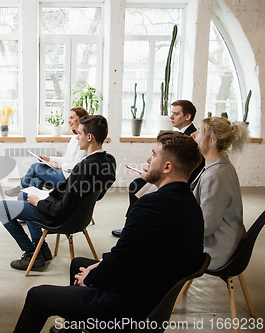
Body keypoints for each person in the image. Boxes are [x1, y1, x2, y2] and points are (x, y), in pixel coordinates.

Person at [13, 131, 204, 333]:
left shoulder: (152, 205)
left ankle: (90, 320)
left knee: (37, 296)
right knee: (78, 264)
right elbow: (136, 254)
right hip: (151, 290)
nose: (148, 159)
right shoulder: (190, 205)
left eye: (154, 154)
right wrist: (97, 267)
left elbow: (122, 261)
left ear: (167, 167)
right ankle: (75, 329)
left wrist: (92, 277)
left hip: (127, 305)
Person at [0, 115, 116, 271]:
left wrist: (39, 202)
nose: (77, 137)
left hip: (64, 219)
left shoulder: (83, 167)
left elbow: (62, 210)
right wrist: (57, 191)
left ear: (89, 137)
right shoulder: (109, 161)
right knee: (23, 195)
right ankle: (42, 248)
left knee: (1, 207)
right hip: (80, 216)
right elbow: (94, 194)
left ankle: (32, 253)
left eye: (79, 133)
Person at [111, 100, 203, 238]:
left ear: (187, 116)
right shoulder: (182, 135)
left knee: (136, 185)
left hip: (178, 179)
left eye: (176, 114)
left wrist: (155, 174)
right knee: (137, 184)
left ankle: (132, 226)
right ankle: (132, 224)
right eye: (172, 113)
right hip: (172, 174)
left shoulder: (191, 138)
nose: (171, 117)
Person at [191, 117, 249, 270]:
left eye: (199, 132)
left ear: (212, 141)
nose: (193, 135)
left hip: (218, 250)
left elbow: (206, 226)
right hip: (227, 241)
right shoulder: (221, 165)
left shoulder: (215, 175)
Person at [4, 107, 89, 197]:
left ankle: (20, 187)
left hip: (68, 177)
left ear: (81, 119)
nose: (69, 121)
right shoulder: (73, 139)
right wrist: (48, 159)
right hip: (62, 172)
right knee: (35, 181)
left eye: (72, 118)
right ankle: (33, 204)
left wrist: (58, 166)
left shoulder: (84, 141)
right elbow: (67, 159)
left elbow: (77, 166)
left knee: (35, 167)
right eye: (69, 118)